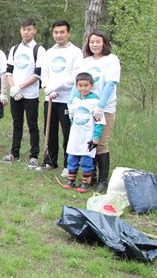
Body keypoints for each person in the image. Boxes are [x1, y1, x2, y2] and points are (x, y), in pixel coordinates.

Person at [74, 30, 121, 191]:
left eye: (98, 42)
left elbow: (110, 84)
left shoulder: (111, 60)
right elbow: (78, 83)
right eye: (92, 42)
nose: (94, 44)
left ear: (104, 43)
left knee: (100, 143)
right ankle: (89, 177)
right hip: (85, 108)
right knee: (87, 141)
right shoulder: (86, 61)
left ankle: (103, 180)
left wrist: (100, 106)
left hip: (104, 109)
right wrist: (72, 104)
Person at [39, 20, 83, 172]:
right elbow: (44, 73)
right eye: (56, 32)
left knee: (67, 133)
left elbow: (75, 77)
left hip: (67, 99)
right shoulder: (50, 52)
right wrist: (48, 88)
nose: (59, 35)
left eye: (62, 32)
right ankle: (50, 161)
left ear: (68, 33)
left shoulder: (76, 52)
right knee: (49, 131)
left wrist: (56, 86)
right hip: (50, 98)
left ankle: (68, 165)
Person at [3, 18, 46, 167]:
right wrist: (13, 88)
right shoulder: (15, 49)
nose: (26, 32)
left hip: (30, 94)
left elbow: (38, 74)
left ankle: (34, 155)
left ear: (34, 30)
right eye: (23, 29)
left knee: (32, 125)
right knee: (17, 123)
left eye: (29, 29)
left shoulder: (39, 50)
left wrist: (20, 86)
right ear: (20, 31)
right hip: (15, 93)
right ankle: (14, 153)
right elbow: (9, 71)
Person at [63, 72, 105, 192]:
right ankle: (71, 181)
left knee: (87, 160)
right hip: (76, 136)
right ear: (76, 86)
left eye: (86, 85)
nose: (83, 88)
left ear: (91, 86)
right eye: (80, 85)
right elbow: (72, 119)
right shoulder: (75, 101)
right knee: (72, 158)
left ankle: (85, 183)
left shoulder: (96, 102)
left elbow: (99, 121)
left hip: (87, 137)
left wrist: (96, 137)